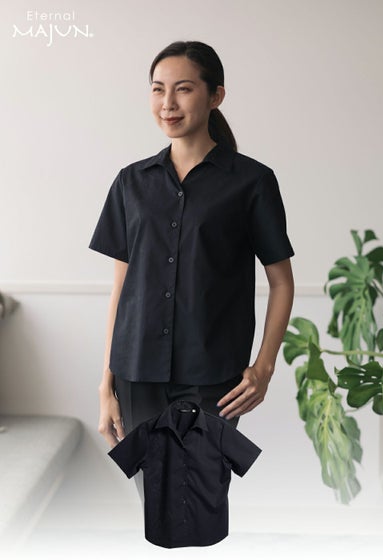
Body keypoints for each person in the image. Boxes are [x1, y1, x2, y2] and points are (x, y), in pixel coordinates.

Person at [90, 40, 295, 504]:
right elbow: (121, 289)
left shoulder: (251, 182)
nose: (168, 103)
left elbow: (281, 281)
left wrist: (263, 369)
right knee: (156, 505)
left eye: (183, 89)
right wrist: (106, 383)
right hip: (137, 372)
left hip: (214, 376)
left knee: (197, 506)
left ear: (215, 95)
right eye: (158, 89)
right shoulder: (131, 182)